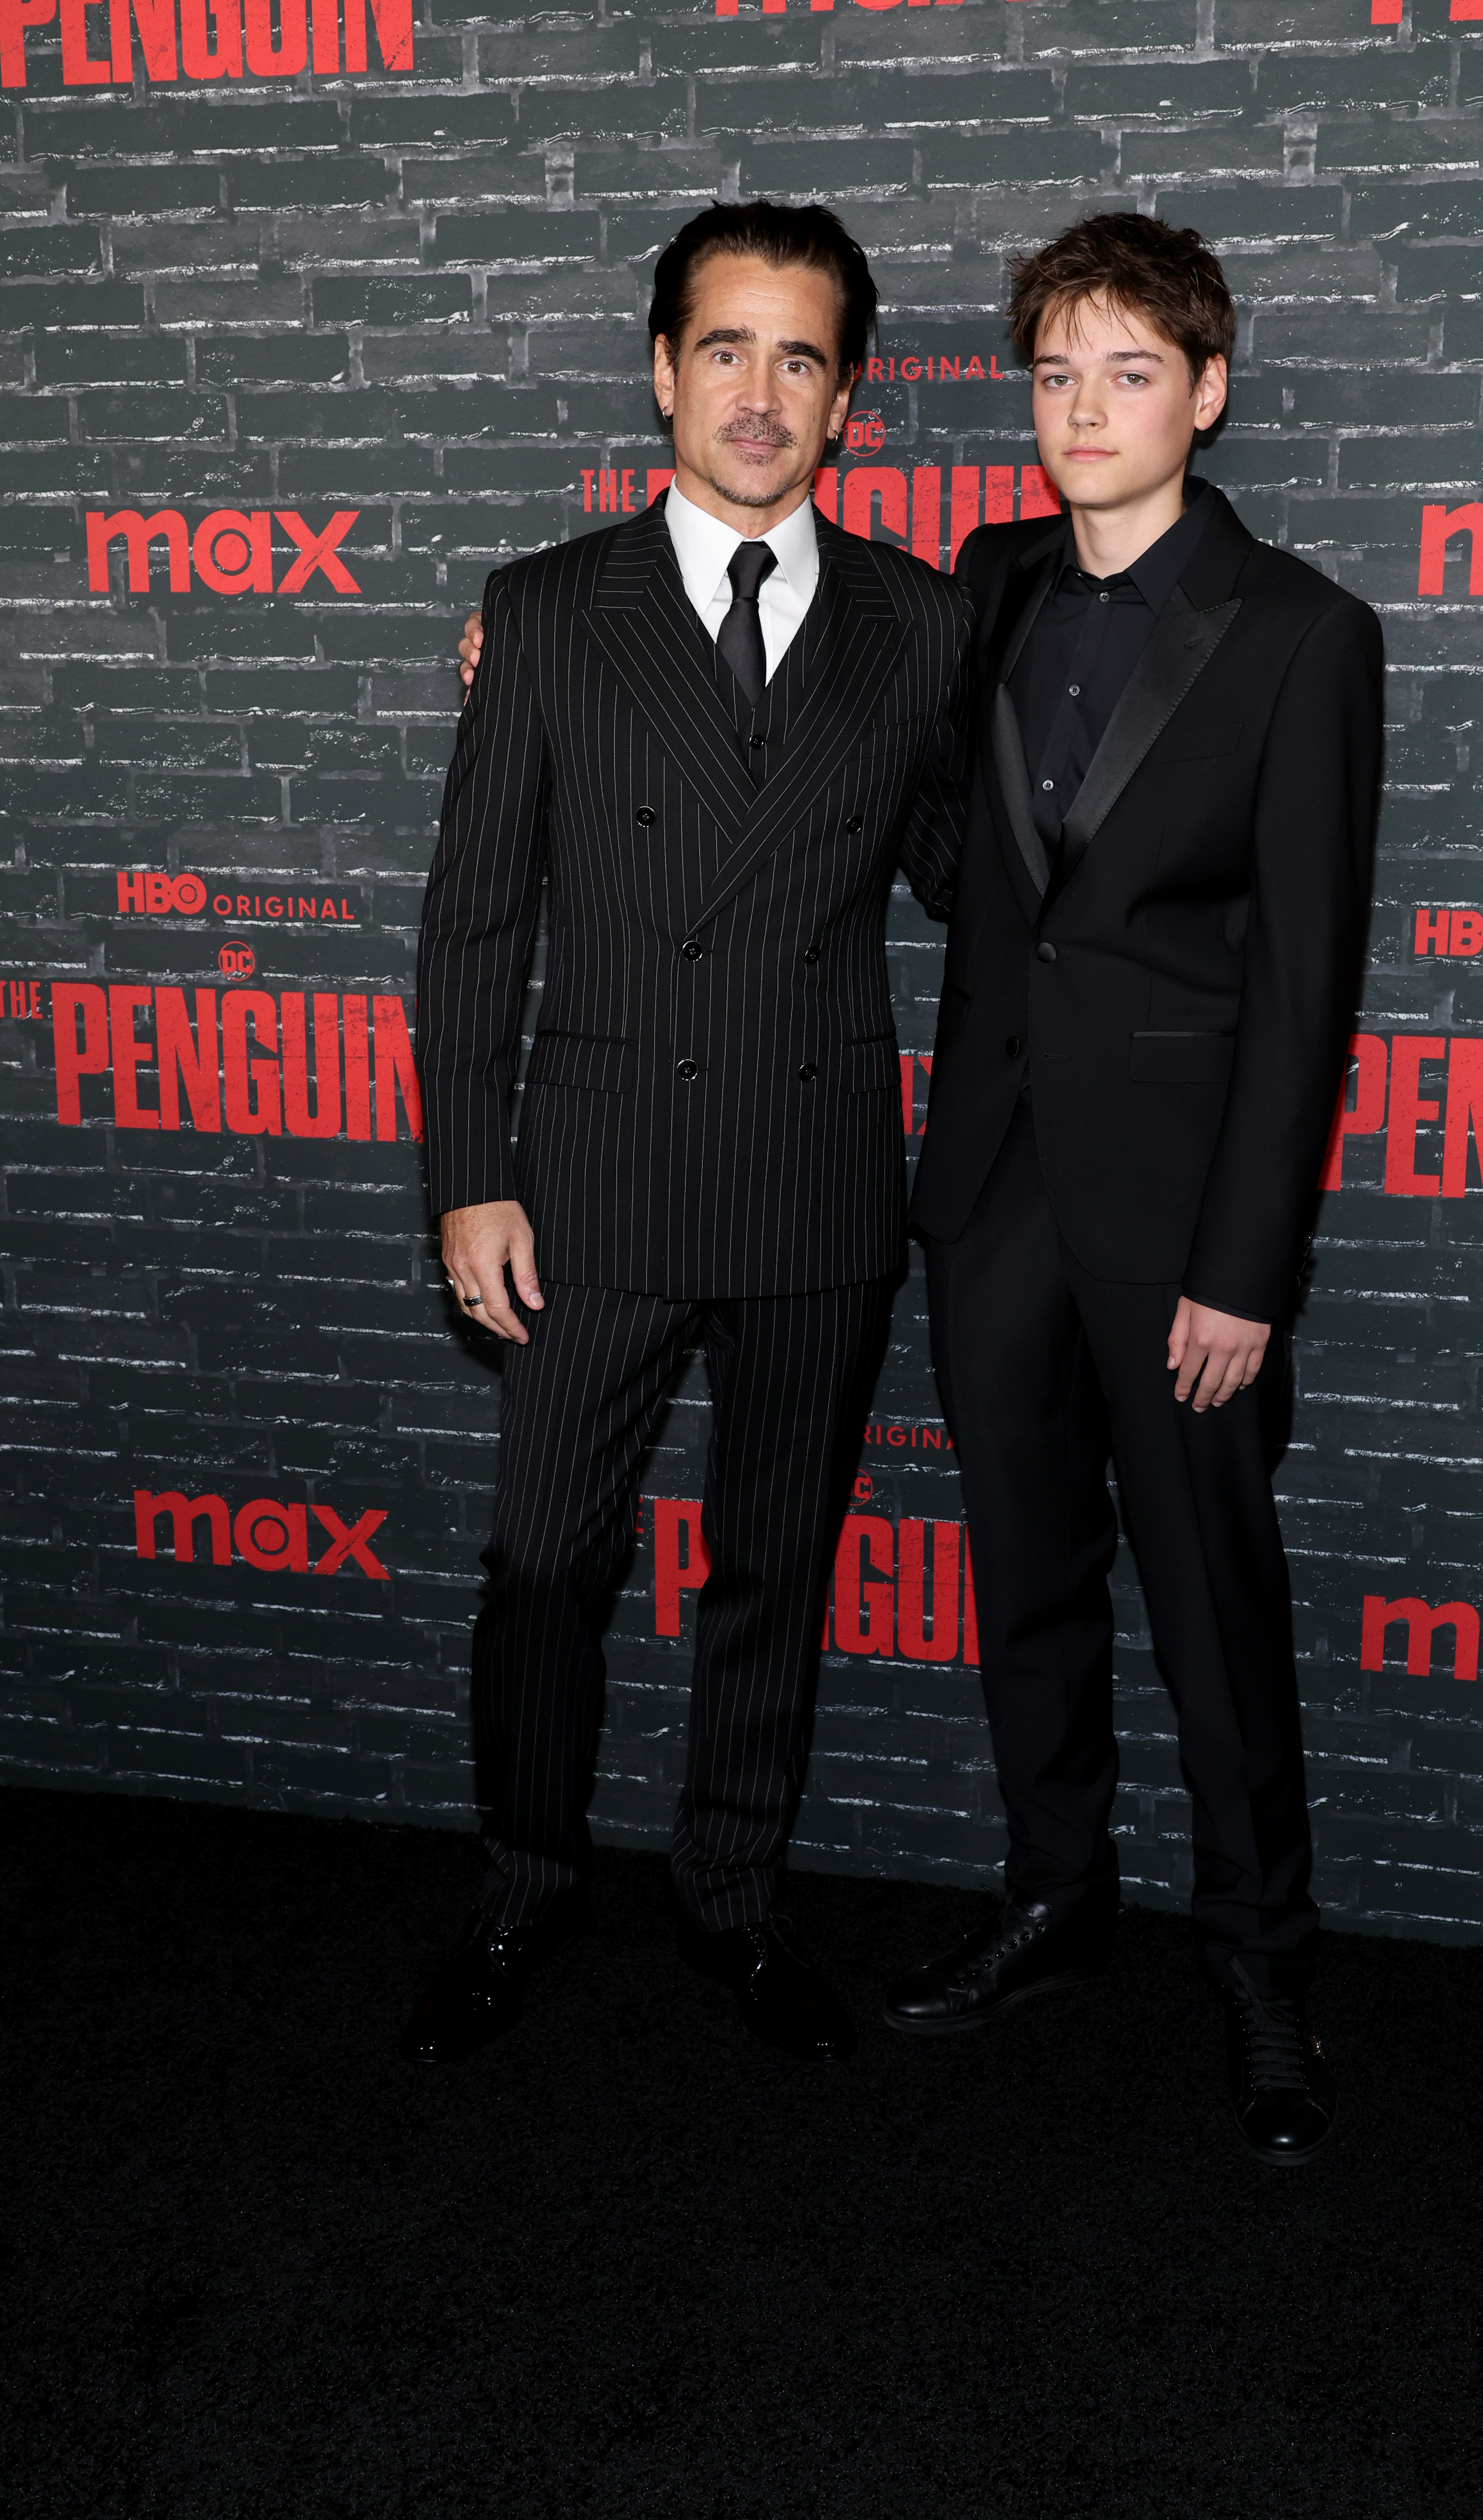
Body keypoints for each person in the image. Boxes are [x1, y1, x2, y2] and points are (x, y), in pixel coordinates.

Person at [405, 200, 972, 2068]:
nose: (757, 391)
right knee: (545, 1565)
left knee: (772, 1568)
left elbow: (974, 870)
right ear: (661, 371)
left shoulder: (921, 621)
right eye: (722, 347)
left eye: (798, 356)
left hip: (815, 1183)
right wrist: (468, 1174)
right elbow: (476, 917)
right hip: (589, 1181)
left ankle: (731, 1898)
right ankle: (528, 1874)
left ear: (846, 399)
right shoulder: (553, 610)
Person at [887, 215, 1382, 2168]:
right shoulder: (990, 583)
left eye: (1127, 373)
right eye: (1054, 374)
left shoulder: (1298, 633)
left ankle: (1263, 1961)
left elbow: (1307, 985)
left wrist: (1244, 1271)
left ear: (1207, 392)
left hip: (1185, 1233)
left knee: (1212, 1607)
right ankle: (1056, 1891)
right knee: (1027, 1586)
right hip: (991, 1190)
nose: (1082, 412)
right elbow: (937, 829)